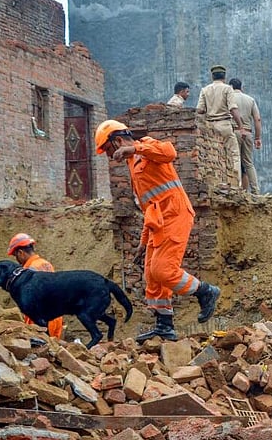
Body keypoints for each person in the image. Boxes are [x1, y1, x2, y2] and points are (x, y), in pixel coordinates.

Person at [94, 120, 221, 343]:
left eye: (107, 149)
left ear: (118, 140)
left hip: (176, 214)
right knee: (152, 275)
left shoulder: (145, 147)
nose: (108, 155)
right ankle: (164, 325)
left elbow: (169, 151)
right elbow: (149, 206)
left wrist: (135, 147)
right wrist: (143, 242)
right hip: (159, 222)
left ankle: (206, 291)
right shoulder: (133, 164)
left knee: (164, 270)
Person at [7, 233, 64, 339]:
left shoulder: (30, 270)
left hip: (40, 320)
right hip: (56, 317)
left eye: (16, 256)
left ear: (21, 252)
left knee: (39, 351)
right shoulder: (46, 264)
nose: (17, 260)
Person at [196, 65, 244, 182]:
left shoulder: (205, 90)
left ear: (212, 76)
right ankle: (235, 184)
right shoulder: (227, 89)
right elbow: (233, 108)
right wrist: (240, 126)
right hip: (225, 125)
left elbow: (200, 110)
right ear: (224, 76)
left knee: (214, 156)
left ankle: (218, 183)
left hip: (210, 127)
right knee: (234, 155)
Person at [228, 78, 263, 194]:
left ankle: (237, 189)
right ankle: (255, 190)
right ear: (241, 87)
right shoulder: (250, 100)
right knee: (248, 163)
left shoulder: (230, 98)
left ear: (230, 87)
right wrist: (257, 138)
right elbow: (257, 119)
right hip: (248, 133)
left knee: (235, 159)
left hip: (234, 132)